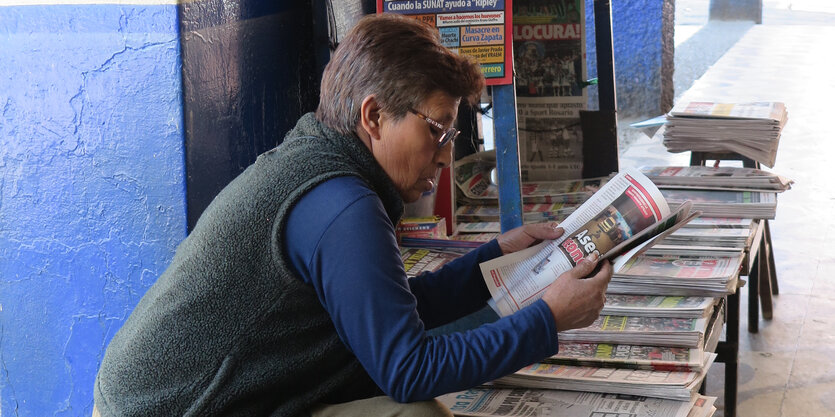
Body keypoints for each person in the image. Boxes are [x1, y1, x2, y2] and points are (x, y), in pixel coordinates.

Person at [93, 13, 612, 417]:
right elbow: (407, 369)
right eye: (437, 130)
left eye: (452, 136)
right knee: (413, 409)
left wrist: (494, 257)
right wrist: (548, 318)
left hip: (169, 397)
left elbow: (392, 310)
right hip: (167, 409)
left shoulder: (325, 161)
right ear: (374, 116)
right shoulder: (341, 203)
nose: (445, 154)